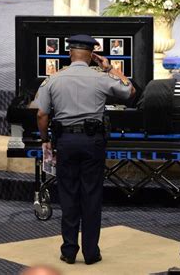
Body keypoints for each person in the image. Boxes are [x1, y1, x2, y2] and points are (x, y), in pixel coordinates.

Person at [36, 34, 135, 265]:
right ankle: (91, 253)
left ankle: (69, 251)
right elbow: (130, 92)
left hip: (65, 142)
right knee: (91, 196)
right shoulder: (101, 77)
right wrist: (111, 67)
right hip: (93, 143)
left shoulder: (54, 79)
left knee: (69, 195)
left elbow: (42, 114)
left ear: (70, 53)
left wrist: (46, 140)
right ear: (92, 56)